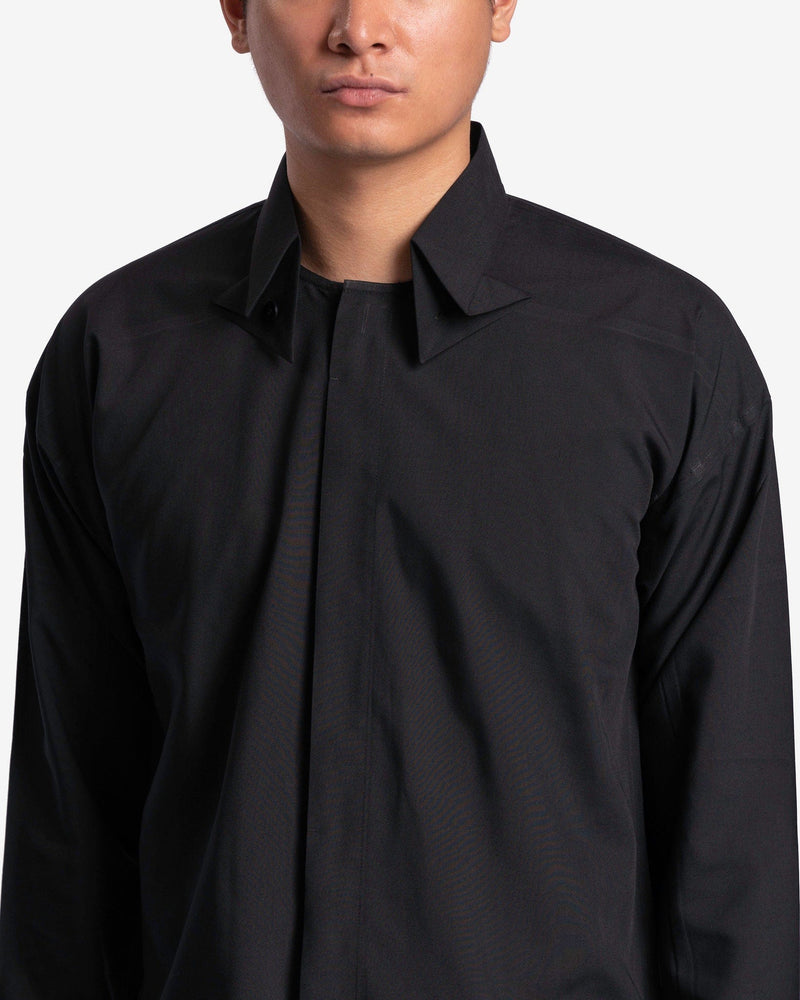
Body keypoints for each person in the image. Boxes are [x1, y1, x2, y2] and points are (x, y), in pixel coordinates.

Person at [0, 0, 797, 995]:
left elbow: (731, 839)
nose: (359, 26)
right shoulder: (116, 356)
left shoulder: (663, 355)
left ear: (500, 6)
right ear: (236, 12)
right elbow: (67, 832)